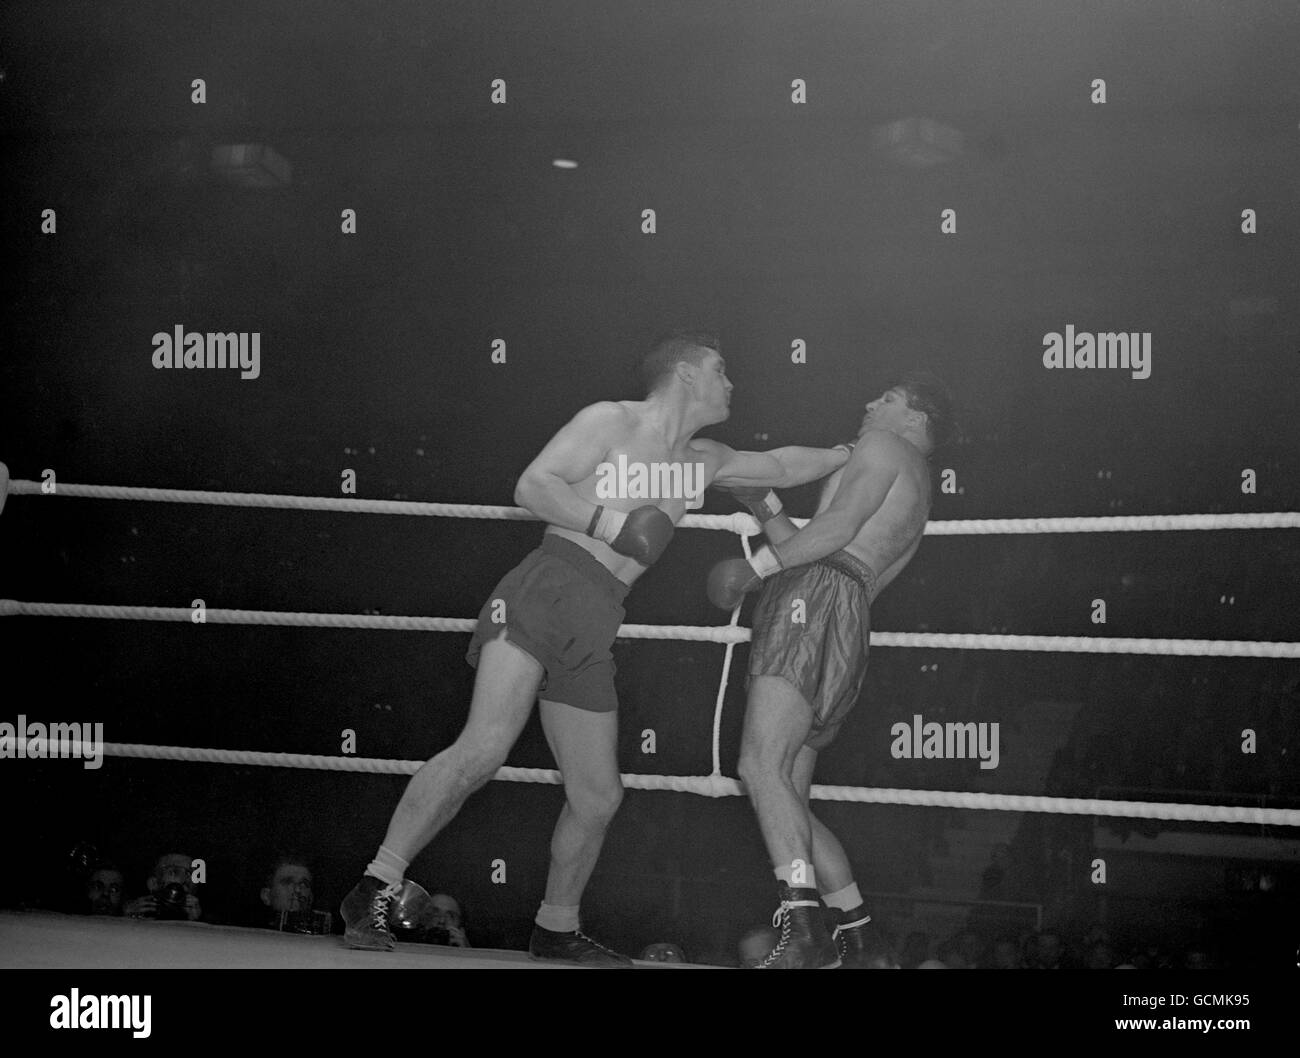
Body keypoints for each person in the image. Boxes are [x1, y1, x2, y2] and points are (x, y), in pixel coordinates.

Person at [341, 332, 849, 964]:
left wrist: (849, 453)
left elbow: (780, 466)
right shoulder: (609, 421)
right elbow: (533, 486)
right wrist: (612, 525)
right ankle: (375, 886)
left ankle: (555, 928)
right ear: (686, 375)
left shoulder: (705, 459)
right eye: (721, 370)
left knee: (598, 795)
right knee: (484, 746)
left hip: (600, 615)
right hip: (545, 588)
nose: (732, 383)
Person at [708, 372, 955, 968]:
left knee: (757, 764)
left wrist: (757, 569)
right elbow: (840, 552)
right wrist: (767, 510)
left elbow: (837, 531)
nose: (869, 401)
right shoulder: (919, 489)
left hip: (811, 603)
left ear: (917, 420)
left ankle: (806, 928)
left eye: (888, 398)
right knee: (787, 788)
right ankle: (863, 939)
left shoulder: (884, 446)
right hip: (847, 619)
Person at [123, 852, 203, 921]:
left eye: (191, 874)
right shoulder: (134, 916)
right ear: (153, 883)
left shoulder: (207, 927)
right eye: (174, 871)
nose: (183, 878)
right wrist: (127, 919)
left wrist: (196, 924)